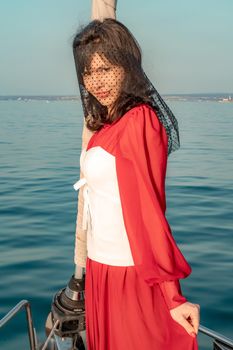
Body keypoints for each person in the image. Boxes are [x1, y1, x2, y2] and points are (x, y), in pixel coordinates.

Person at [72, 18, 200, 350]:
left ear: (127, 66)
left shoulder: (139, 121)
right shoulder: (105, 128)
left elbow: (149, 211)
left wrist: (172, 296)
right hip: (101, 269)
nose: (95, 81)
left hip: (130, 273)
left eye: (105, 69)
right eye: (89, 72)